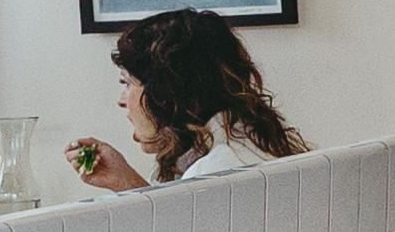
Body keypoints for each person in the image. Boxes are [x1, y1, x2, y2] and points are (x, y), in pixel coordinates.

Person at [71, 11, 306, 192]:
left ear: (166, 93)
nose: (121, 101)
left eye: (128, 83)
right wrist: (124, 181)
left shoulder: (215, 174)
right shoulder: (245, 143)